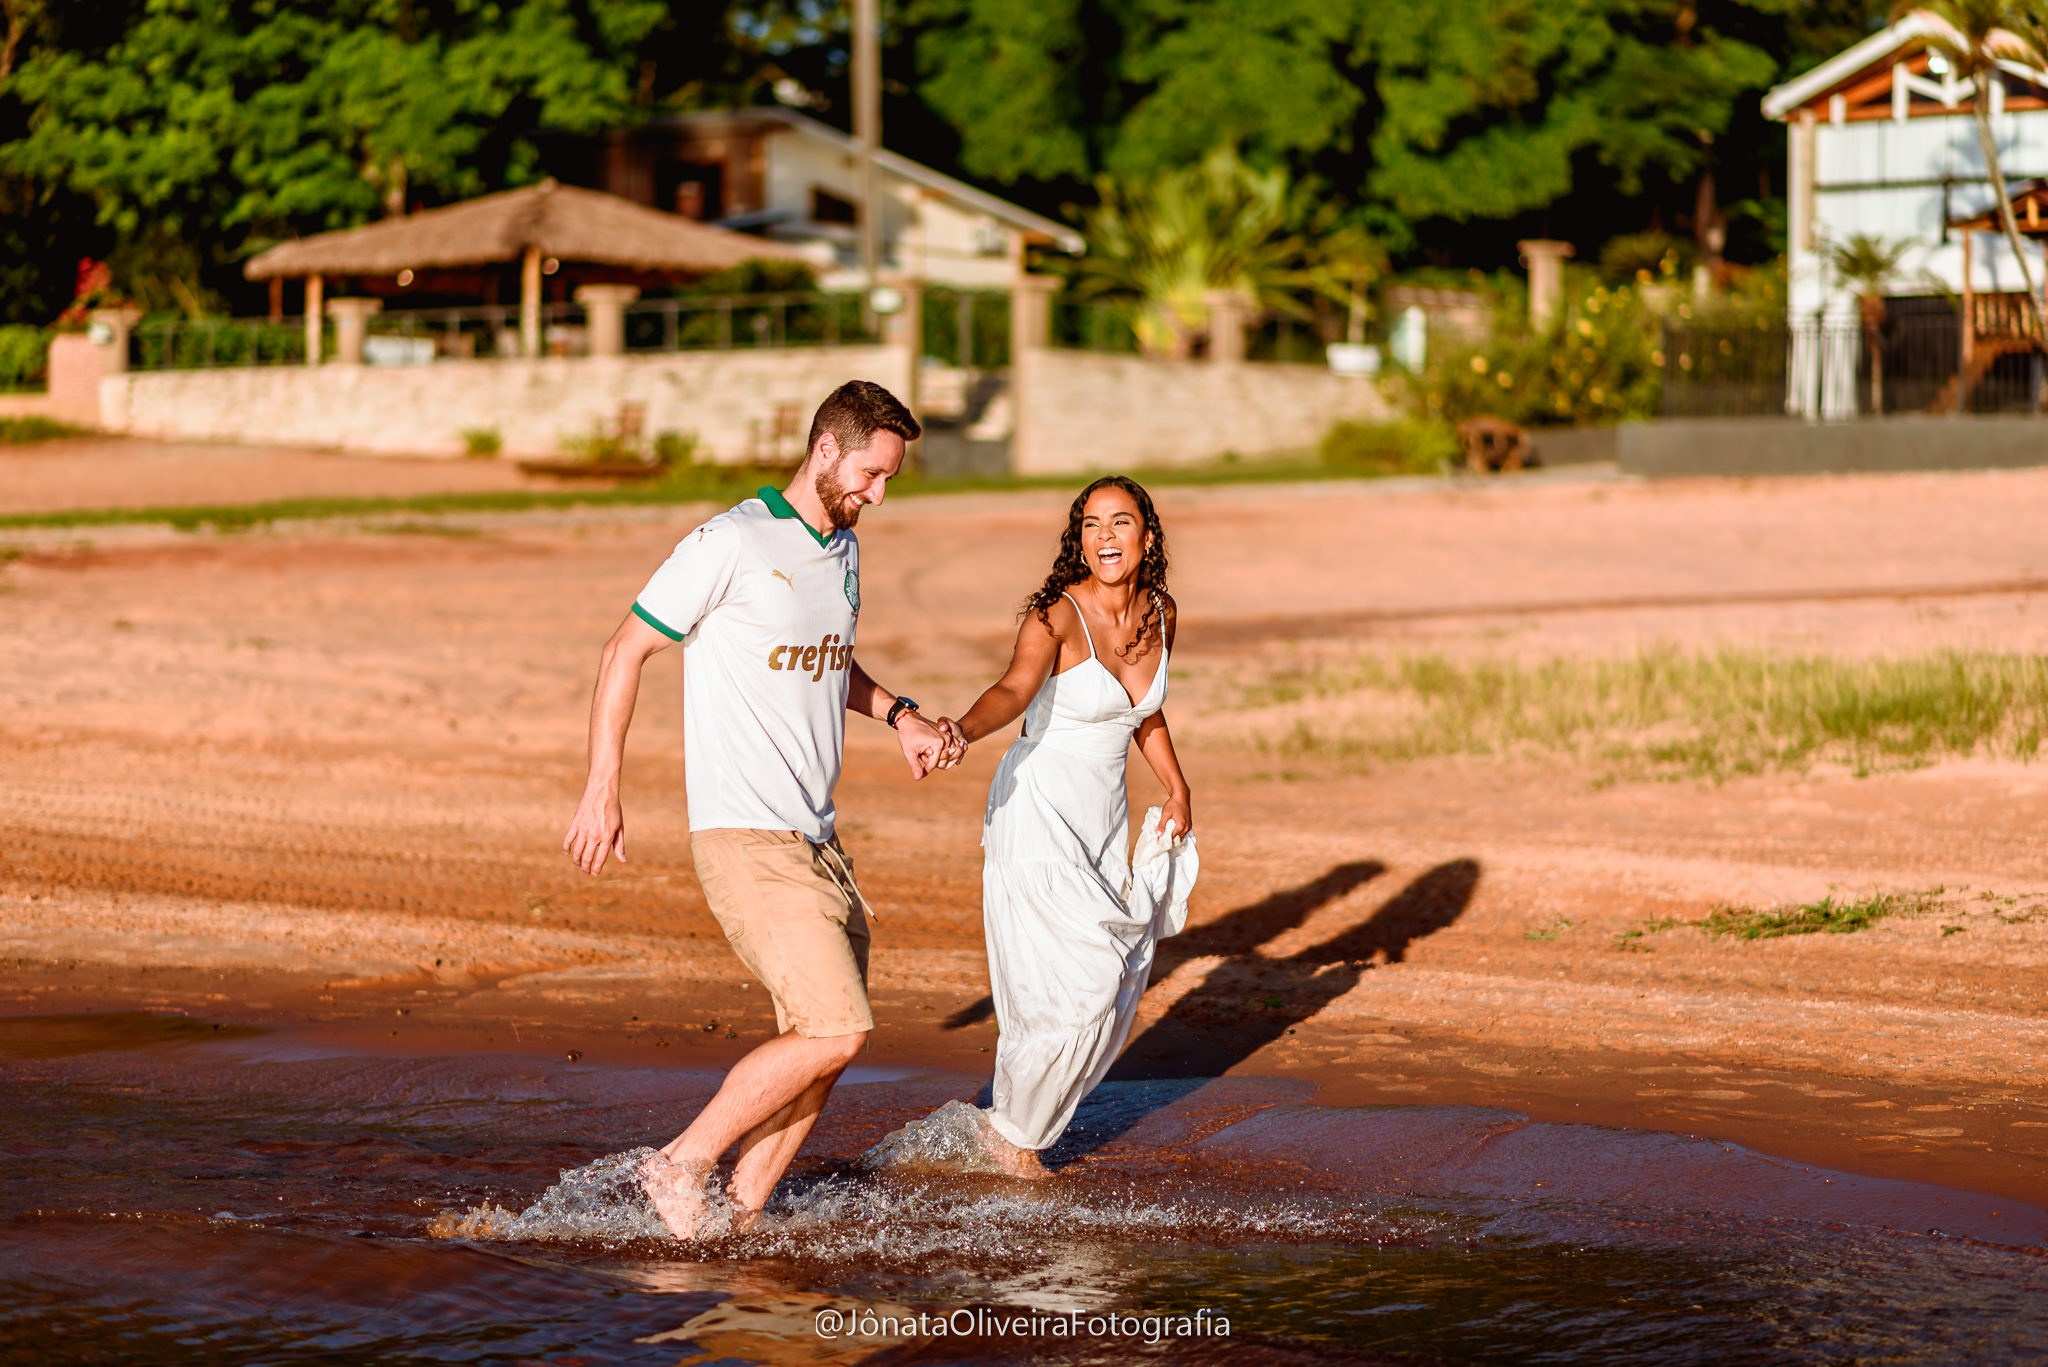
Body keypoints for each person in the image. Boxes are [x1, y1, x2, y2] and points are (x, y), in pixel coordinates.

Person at [561, 380, 961, 1237]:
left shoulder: (844, 549)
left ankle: (737, 1218)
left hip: (819, 839)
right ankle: (680, 1163)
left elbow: (828, 659)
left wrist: (900, 716)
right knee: (837, 1027)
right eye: (870, 473)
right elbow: (624, 648)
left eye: (890, 478)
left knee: (815, 1052)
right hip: (746, 834)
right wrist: (604, 783)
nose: (877, 494)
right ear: (826, 448)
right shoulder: (731, 540)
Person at [941, 474, 1196, 1177]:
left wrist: (1176, 785)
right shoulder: (1057, 616)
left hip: (1102, 818)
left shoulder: (1161, 612)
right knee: (1079, 976)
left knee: (1114, 981)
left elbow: (1143, 712)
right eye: (1091, 524)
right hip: (1039, 807)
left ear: (1147, 533)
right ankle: (1016, 1136)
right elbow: (1013, 689)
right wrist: (960, 731)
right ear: (1077, 537)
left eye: (1120, 522)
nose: (1105, 537)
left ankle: (1016, 1131)